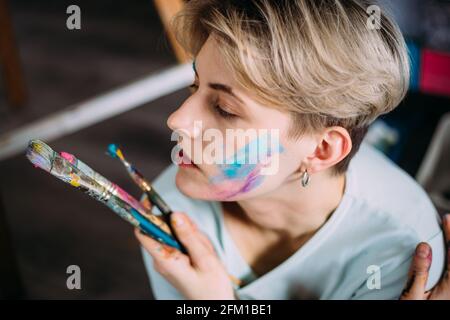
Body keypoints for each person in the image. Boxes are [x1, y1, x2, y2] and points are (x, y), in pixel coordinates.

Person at [136, 0, 446, 299]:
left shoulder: (401, 256)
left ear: (322, 150)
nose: (177, 119)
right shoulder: (174, 209)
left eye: (225, 109)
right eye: (195, 85)